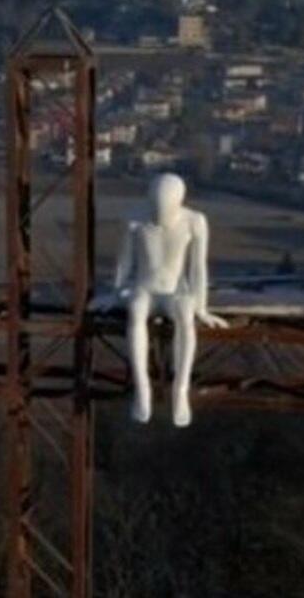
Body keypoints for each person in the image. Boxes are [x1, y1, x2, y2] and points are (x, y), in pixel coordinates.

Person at [93, 173, 228, 427]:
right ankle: (142, 387)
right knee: (136, 310)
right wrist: (115, 294)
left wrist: (202, 307)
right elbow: (124, 262)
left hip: (175, 292)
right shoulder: (134, 219)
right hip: (145, 288)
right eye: (156, 207)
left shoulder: (194, 221)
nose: (160, 215)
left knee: (186, 316)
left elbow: (197, 268)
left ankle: (181, 389)